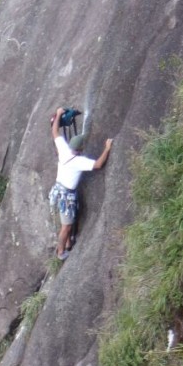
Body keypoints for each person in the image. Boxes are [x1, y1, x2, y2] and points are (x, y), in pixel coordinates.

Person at [49, 106, 113, 259]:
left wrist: (58, 114)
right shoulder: (78, 161)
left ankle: (69, 244)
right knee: (66, 226)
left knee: (67, 221)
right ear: (80, 149)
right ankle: (61, 252)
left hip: (57, 191)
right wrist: (107, 149)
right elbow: (98, 165)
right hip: (66, 196)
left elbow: (55, 132)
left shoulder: (64, 149)